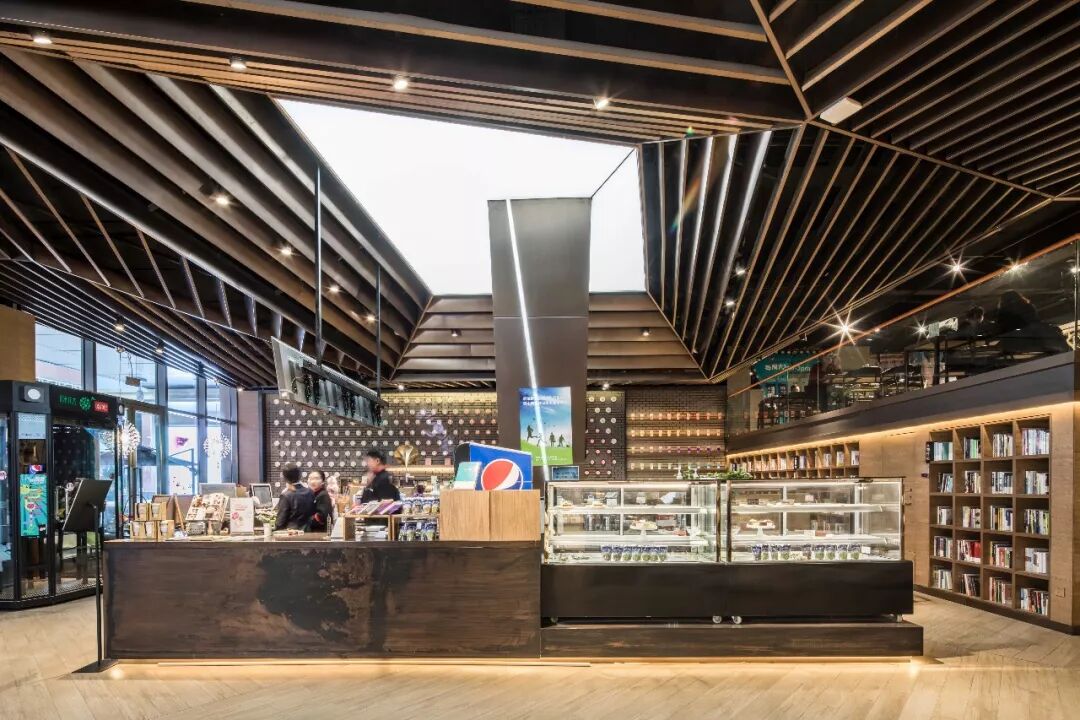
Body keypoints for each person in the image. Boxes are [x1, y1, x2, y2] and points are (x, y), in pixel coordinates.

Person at [275, 463, 315, 531]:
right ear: (300, 476)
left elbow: (280, 522)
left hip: (291, 533)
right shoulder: (310, 492)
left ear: (284, 478)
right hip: (309, 531)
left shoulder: (286, 495)